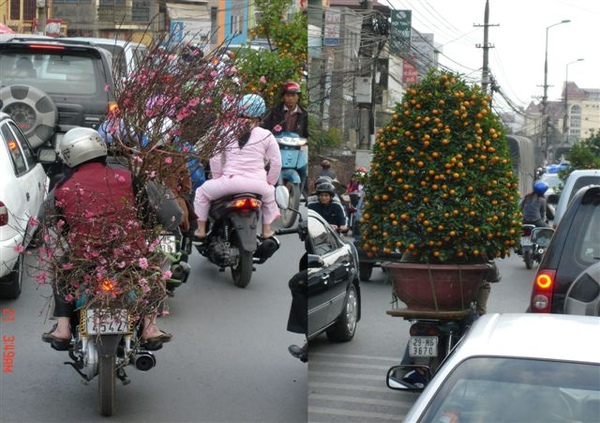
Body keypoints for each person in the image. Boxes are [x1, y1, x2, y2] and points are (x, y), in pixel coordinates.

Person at [41, 127, 171, 350]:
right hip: (130, 254)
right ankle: (150, 327)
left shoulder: (62, 187)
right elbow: (147, 215)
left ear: (69, 156)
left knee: (62, 270)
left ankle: (62, 328)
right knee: (154, 268)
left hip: (85, 258)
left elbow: (48, 220)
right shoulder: (128, 177)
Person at [193, 94, 282, 240]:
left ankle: (201, 229)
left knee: (201, 193)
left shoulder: (226, 132)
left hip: (229, 183)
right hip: (258, 185)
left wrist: (218, 178)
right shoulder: (267, 135)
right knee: (270, 198)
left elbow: (215, 159)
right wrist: (270, 183)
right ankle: (266, 231)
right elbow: (276, 163)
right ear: (261, 114)